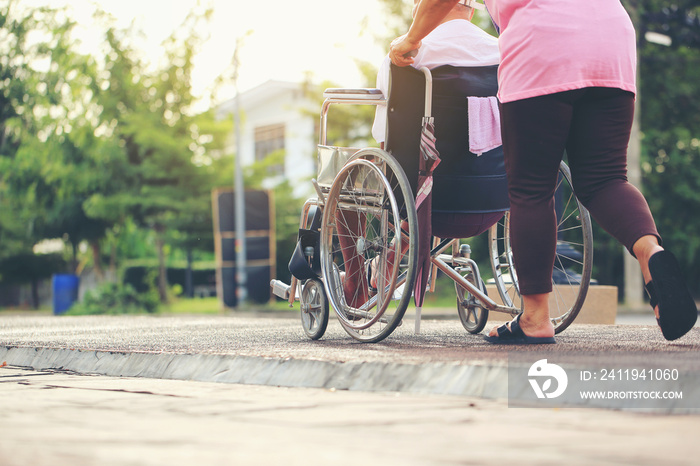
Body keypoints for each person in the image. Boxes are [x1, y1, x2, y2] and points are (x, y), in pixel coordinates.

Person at [390, 0, 697, 343]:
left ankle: (535, 319)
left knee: (531, 190)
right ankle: (650, 252)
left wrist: (410, 39)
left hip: (543, 45)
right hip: (612, 42)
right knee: (606, 179)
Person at [339, 0, 502, 308]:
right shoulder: (502, 53)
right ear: (471, 9)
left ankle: (357, 283)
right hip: (494, 199)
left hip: (422, 201)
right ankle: (390, 257)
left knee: (354, 172)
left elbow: (383, 135)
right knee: (434, 171)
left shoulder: (408, 55)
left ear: (421, 6)